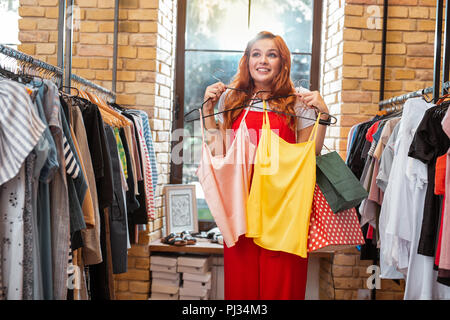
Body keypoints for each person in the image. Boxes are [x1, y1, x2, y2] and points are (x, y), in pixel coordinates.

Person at [201, 31, 330, 300]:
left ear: (282, 62)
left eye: (271, 54)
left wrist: (324, 115)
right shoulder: (231, 101)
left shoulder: (298, 101)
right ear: (247, 61)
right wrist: (207, 111)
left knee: (282, 288)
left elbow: (310, 154)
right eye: (256, 54)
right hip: (242, 209)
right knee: (241, 290)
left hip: (284, 210)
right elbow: (218, 151)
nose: (263, 60)